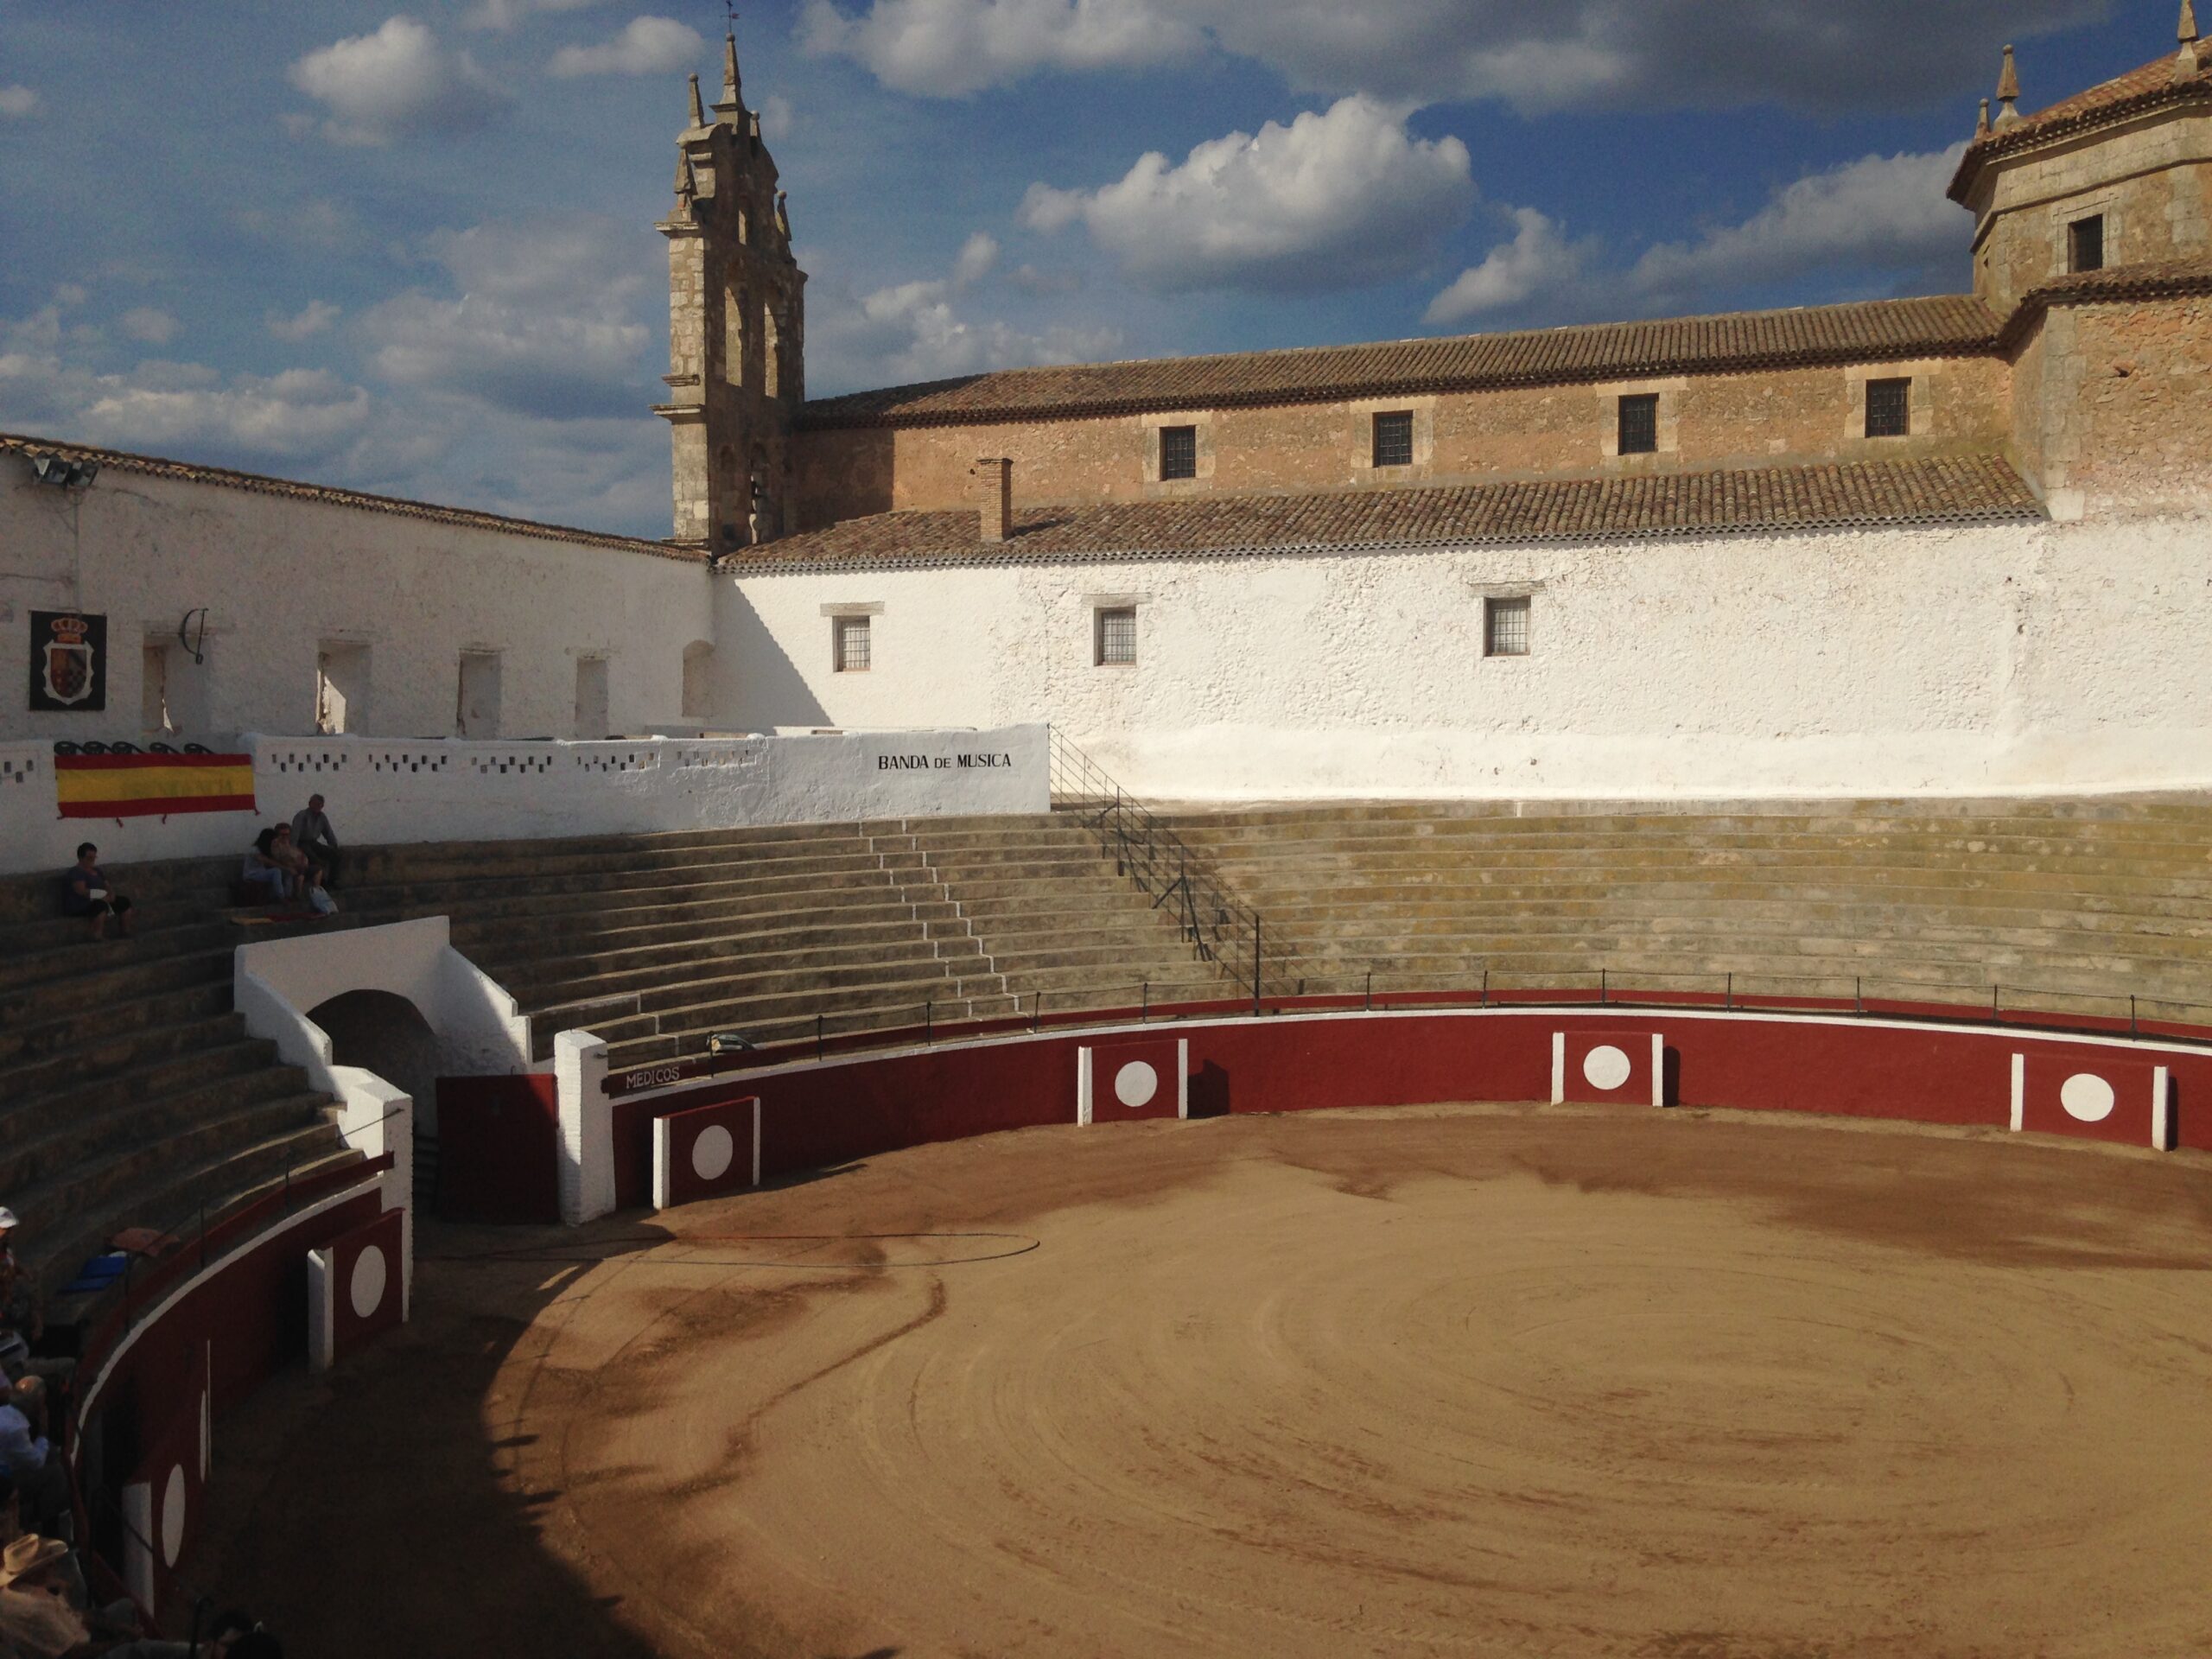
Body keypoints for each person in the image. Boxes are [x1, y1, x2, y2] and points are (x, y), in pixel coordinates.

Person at [60, 847, 131, 944]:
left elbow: (107, 885)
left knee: (124, 902)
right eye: (89, 857)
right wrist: (101, 896)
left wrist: (111, 894)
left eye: (94, 857)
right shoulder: (76, 872)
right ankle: (97, 935)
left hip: (101, 898)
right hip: (81, 904)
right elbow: (81, 891)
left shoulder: (97, 871)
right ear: (81, 857)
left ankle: (125, 931)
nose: (92, 860)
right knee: (100, 906)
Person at [288, 795, 340, 890]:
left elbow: (328, 832)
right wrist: (293, 850)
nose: (317, 807)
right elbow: (295, 834)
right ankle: (322, 883)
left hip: (313, 843)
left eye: (320, 805)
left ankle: (333, 881)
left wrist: (334, 845)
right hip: (302, 843)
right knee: (315, 859)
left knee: (334, 855)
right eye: (315, 804)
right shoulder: (301, 816)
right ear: (310, 804)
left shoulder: (322, 817)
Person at [240, 830, 290, 906]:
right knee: (276, 871)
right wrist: (285, 868)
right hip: (252, 874)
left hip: (261, 873)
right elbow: (267, 861)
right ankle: (281, 897)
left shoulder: (267, 849)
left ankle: (287, 895)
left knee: (287, 874)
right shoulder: (255, 850)